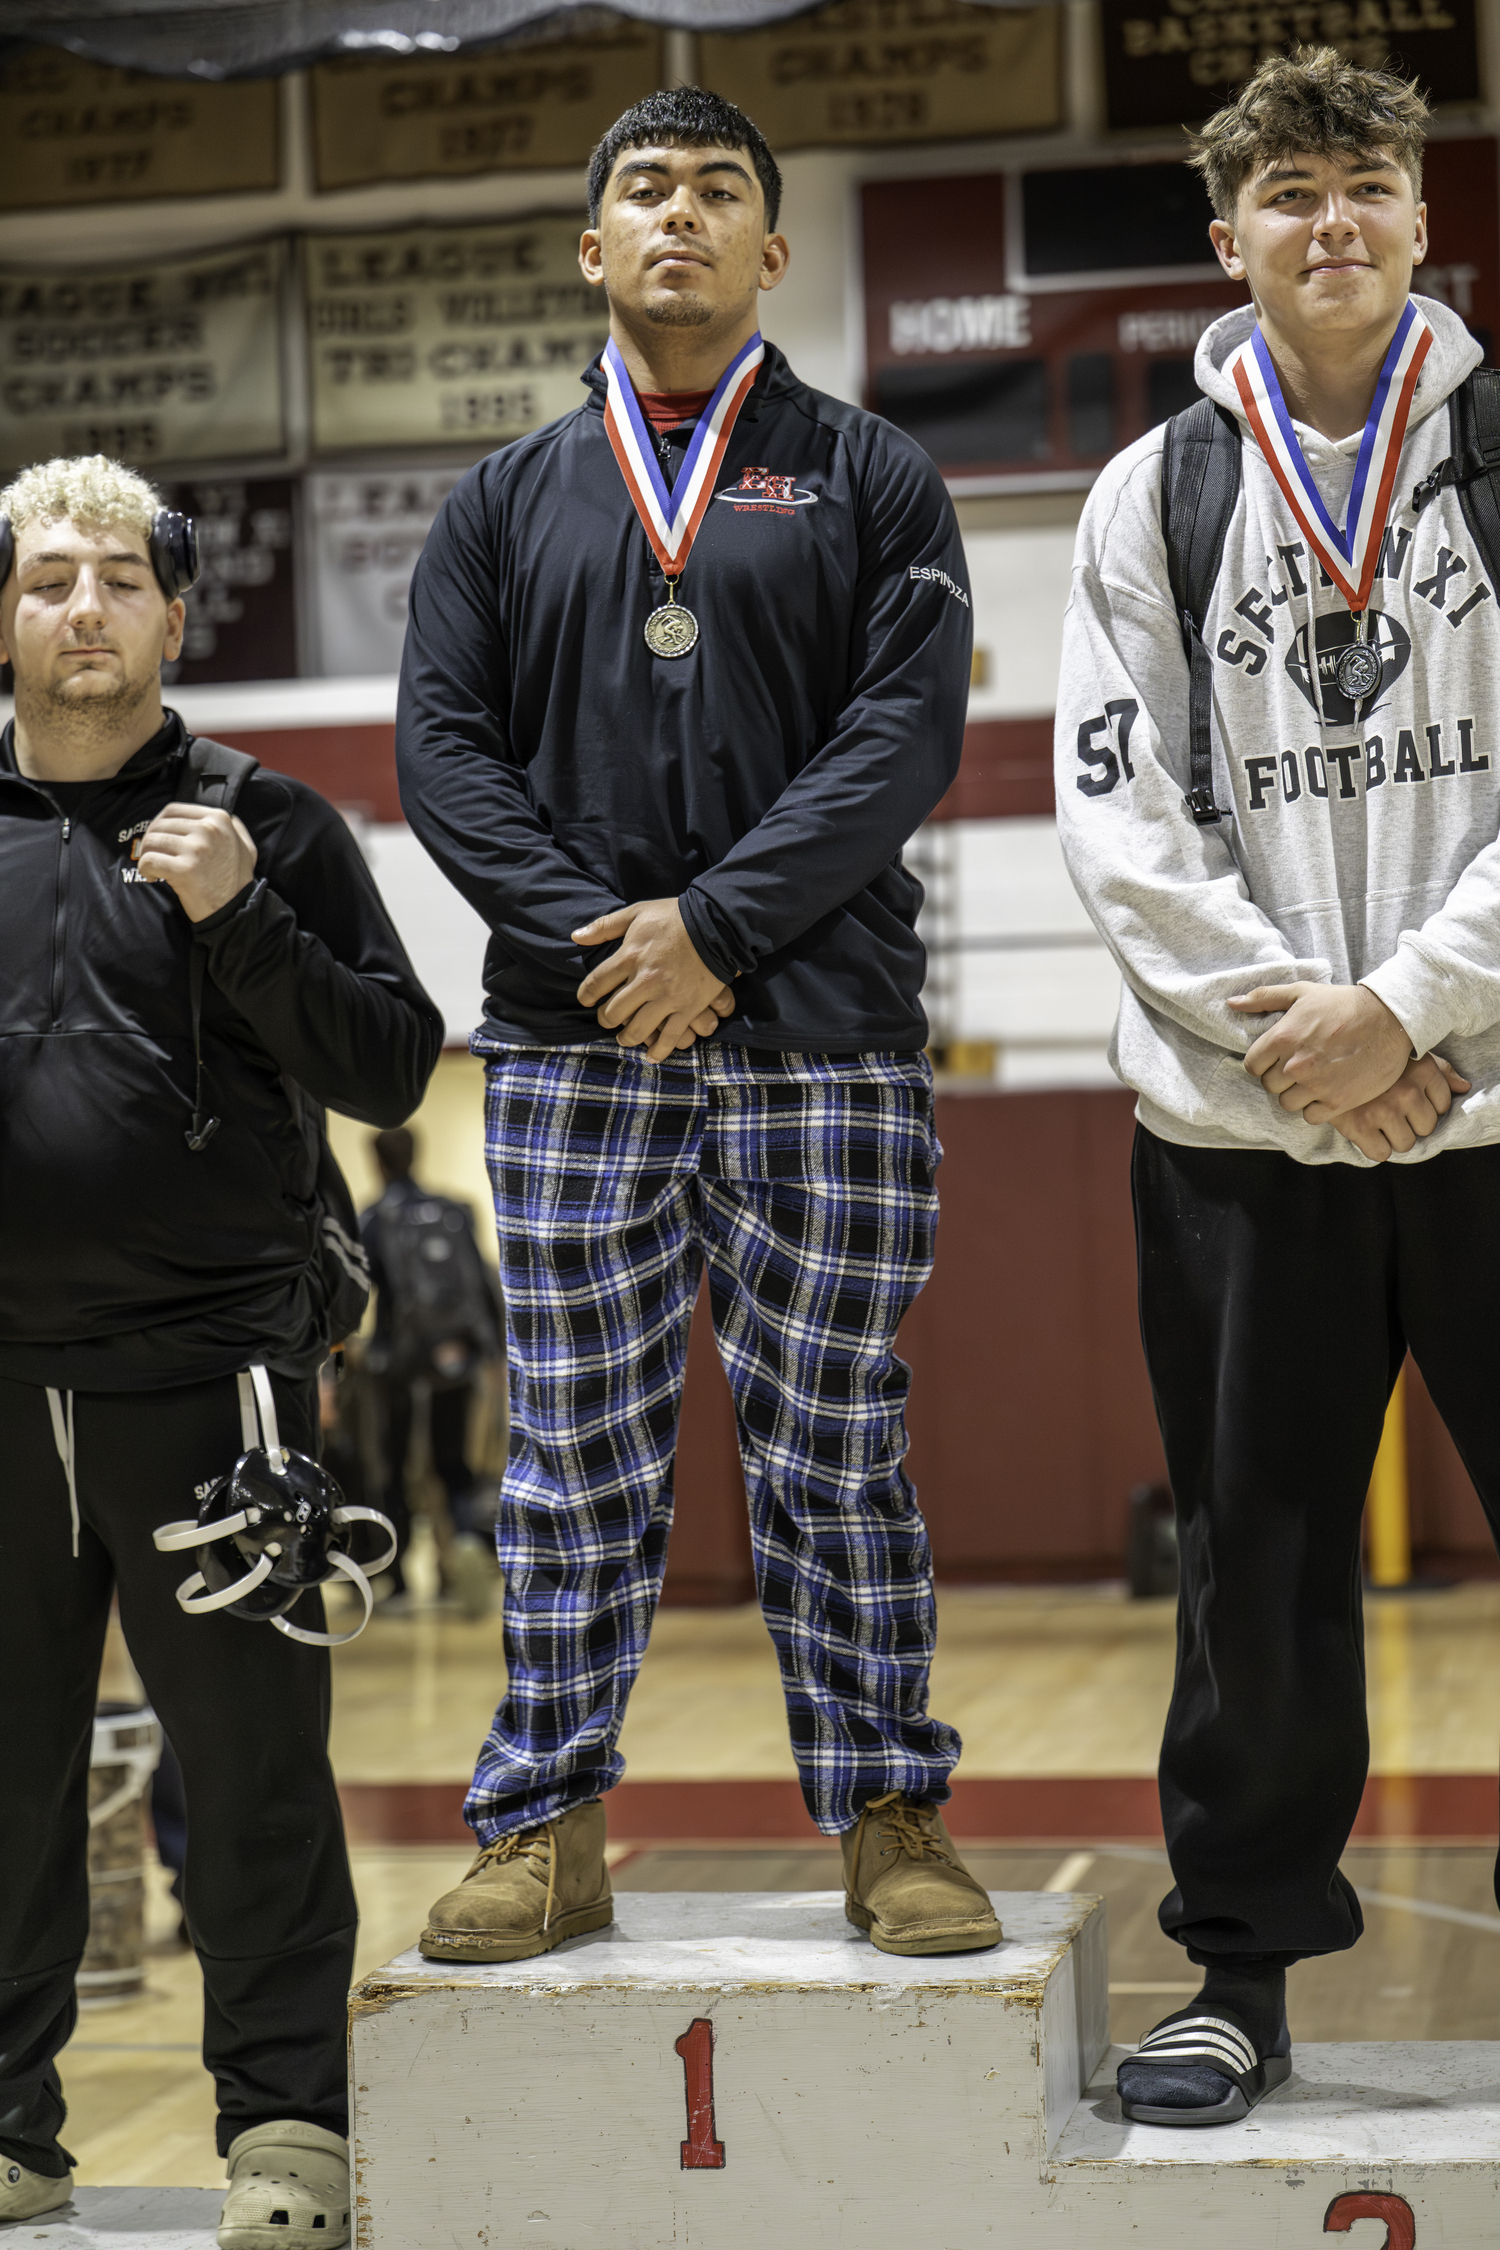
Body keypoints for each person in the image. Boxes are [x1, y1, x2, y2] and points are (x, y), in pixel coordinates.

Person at [397, 86, 998, 1966]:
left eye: (717, 189)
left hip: (824, 1034)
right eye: (644, 190)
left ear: (771, 249)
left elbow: (902, 737)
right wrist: (619, 949)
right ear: (594, 247)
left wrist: (717, 933)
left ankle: (890, 1810)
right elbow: (443, 759)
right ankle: (544, 1823)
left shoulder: (872, 475)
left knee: (833, 1439)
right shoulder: (499, 501)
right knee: (573, 1448)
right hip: (575, 1041)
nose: (680, 213)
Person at [1056, 47, 1500, 2126]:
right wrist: (1301, 1036)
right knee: (1258, 1565)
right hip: (1246, 1133)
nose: (1335, 222)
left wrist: (1407, 1005)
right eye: (1292, 194)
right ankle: (1238, 1974)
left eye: (1367, 185)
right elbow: (1116, 817)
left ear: (1423, 217)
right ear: (1227, 236)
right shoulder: (1153, 494)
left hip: (1488, 1100)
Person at [0, 455, 443, 2237]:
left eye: (121, 578)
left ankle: (287, 2136)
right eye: (49, 579)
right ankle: (12, 2134)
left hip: (215, 1386)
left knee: (252, 1784)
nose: (84, 607)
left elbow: (391, 1067)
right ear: (4, 618)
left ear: (175, 620)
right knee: (4, 1786)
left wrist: (244, 915)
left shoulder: (273, 822)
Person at [359, 1126, 502, 1613]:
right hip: (456, 1359)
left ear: (378, 1162)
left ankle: (399, 1582)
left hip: (399, 1365)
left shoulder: (375, 1218)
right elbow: (482, 1282)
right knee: (453, 1465)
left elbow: (355, 1291)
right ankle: (462, 1549)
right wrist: (491, 1353)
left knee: (395, 1468)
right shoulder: (454, 1210)